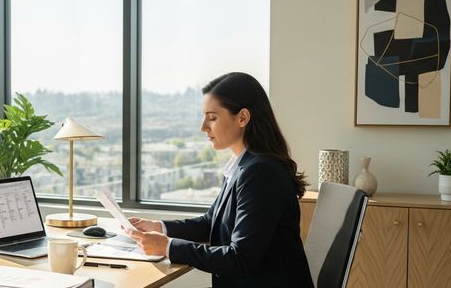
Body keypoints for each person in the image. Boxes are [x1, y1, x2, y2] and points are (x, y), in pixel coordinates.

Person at [125, 72, 314, 287]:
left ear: (243, 117)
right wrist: (158, 227)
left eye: (212, 117)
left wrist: (168, 247)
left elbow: (240, 258)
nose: (203, 127)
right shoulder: (244, 165)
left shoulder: (260, 172)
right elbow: (211, 223)